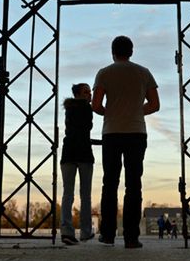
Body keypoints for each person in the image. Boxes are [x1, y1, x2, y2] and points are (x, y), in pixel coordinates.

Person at [92, 36, 160, 249]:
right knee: (134, 184)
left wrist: (110, 113)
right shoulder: (144, 72)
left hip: (111, 132)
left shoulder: (104, 73)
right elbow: (155, 104)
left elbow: (95, 105)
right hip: (136, 132)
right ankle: (131, 237)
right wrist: (136, 112)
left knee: (110, 183)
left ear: (113, 52)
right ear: (132, 51)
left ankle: (109, 235)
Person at [60, 83, 95, 245]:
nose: (90, 94)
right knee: (85, 195)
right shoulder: (87, 109)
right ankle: (86, 232)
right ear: (78, 94)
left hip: (68, 153)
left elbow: (75, 132)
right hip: (84, 154)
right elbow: (86, 128)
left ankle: (67, 231)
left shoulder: (69, 109)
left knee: (67, 195)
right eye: (86, 92)